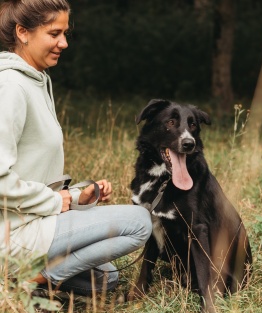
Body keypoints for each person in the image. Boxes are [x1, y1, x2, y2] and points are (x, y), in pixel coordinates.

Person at [0, 0, 152, 296]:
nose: (64, 43)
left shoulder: (35, 80)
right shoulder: (11, 87)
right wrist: (58, 202)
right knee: (139, 222)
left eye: (66, 34)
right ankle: (25, 285)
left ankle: (28, 278)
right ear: (23, 32)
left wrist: (76, 195)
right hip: (12, 233)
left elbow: (31, 172)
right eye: (54, 33)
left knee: (104, 280)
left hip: (34, 221)